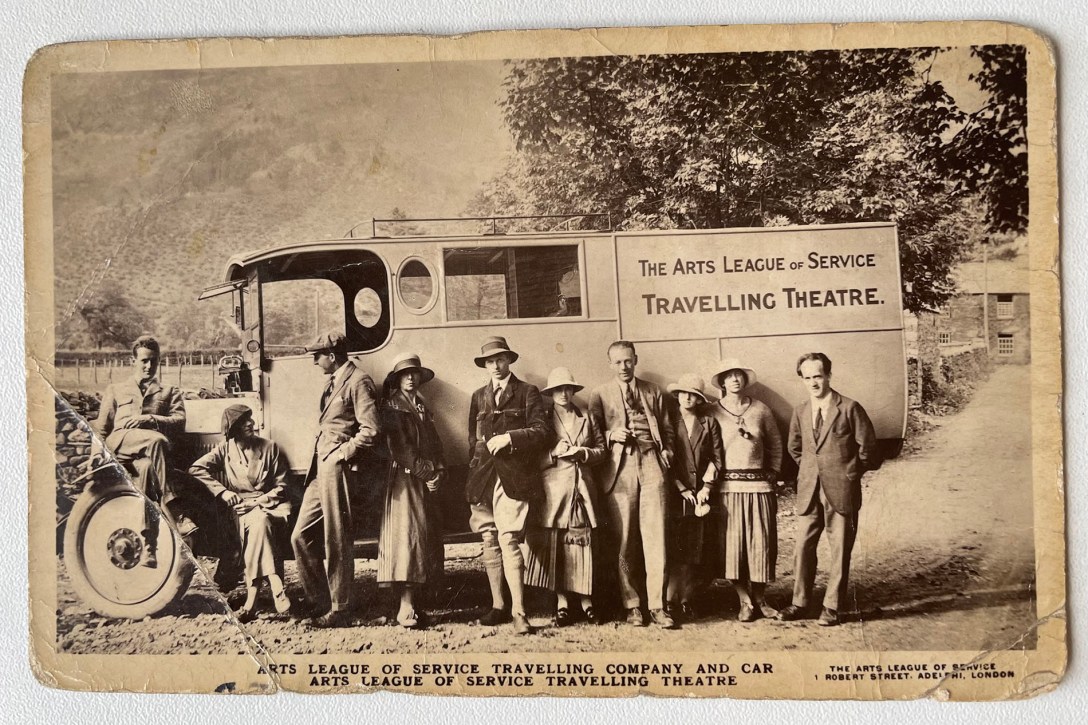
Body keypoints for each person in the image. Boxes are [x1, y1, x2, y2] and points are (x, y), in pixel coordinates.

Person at [778, 353, 877, 627]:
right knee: (802, 547)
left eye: (818, 376)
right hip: (809, 490)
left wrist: (850, 473)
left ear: (829, 376)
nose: (813, 383)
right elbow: (794, 448)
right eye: (807, 378)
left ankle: (832, 607)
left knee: (840, 550)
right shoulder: (800, 411)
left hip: (841, 490)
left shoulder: (849, 408)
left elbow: (868, 449)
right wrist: (811, 470)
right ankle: (799, 602)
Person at [289, 331, 380, 628]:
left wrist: (343, 453)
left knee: (336, 537)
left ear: (332, 355)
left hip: (338, 467)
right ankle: (318, 601)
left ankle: (340, 609)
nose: (314, 361)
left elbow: (371, 429)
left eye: (318, 355)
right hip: (321, 467)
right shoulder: (333, 382)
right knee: (300, 535)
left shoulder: (358, 380)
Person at [589, 340, 677, 629]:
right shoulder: (599, 394)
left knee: (656, 538)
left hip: (652, 464)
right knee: (624, 540)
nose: (624, 367)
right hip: (619, 469)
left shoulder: (653, 391)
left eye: (628, 361)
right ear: (609, 363)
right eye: (617, 362)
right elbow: (593, 434)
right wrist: (612, 433)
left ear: (635, 360)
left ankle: (657, 605)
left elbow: (667, 428)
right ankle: (632, 604)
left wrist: (667, 452)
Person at [465, 336, 549, 636]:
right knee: (489, 540)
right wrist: (475, 472)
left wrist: (510, 438)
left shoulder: (528, 392)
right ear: (485, 365)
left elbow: (541, 432)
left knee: (509, 539)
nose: (496, 366)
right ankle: (498, 606)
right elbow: (473, 441)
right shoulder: (478, 396)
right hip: (483, 479)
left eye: (500, 359)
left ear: (509, 361)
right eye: (490, 361)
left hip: (514, 478)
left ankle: (519, 612)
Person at [91, 335, 192, 569]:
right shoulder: (117, 389)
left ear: (159, 362)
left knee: (148, 467)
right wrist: (95, 459)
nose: (148, 366)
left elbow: (179, 421)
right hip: (122, 443)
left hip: (147, 457)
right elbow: (102, 428)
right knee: (157, 440)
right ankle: (174, 509)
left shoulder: (169, 391)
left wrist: (149, 418)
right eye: (144, 361)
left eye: (153, 361)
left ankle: (149, 547)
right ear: (133, 360)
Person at [189, 404, 292, 623]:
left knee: (261, 521)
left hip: (269, 505)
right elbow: (196, 469)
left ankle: (251, 601)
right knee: (258, 523)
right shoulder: (225, 450)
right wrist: (224, 492)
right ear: (232, 428)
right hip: (239, 509)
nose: (250, 424)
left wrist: (258, 502)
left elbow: (283, 487)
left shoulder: (269, 447)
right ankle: (274, 581)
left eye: (250, 419)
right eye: (243, 421)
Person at [524, 367, 607, 626]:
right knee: (556, 546)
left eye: (568, 389)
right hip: (554, 491)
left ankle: (586, 601)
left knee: (582, 543)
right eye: (558, 389)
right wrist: (553, 454)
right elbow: (530, 460)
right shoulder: (543, 421)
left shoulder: (587, 417)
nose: (563, 394)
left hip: (582, 490)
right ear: (551, 393)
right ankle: (562, 603)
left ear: (573, 391)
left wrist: (584, 454)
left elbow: (602, 450)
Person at [708, 359, 783, 623]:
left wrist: (772, 472)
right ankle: (745, 600)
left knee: (760, 544)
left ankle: (761, 599)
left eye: (739, 375)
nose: (735, 380)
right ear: (723, 382)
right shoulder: (712, 411)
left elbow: (775, 443)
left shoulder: (761, 410)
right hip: (728, 489)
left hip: (760, 488)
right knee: (734, 546)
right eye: (729, 376)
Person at [377, 352, 446, 629]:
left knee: (423, 539)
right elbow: (401, 449)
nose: (410, 378)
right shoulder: (392, 407)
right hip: (404, 481)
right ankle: (405, 605)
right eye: (404, 374)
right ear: (396, 380)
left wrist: (439, 471)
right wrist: (428, 472)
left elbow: (436, 444)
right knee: (407, 538)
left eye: (414, 373)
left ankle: (419, 601)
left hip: (422, 478)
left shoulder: (421, 406)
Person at [664, 373, 723, 622]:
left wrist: (706, 488)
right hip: (675, 495)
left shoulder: (709, 424)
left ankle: (687, 600)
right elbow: (664, 460)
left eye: (694, 395)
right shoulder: (668, 423)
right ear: (677, 395)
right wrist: (680, 487)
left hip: (700, 496)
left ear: (699, 400)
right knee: (673, 549)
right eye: (684, 393)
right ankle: (668, 600)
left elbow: (717, 459)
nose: (688, 398)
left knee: (693, 550)